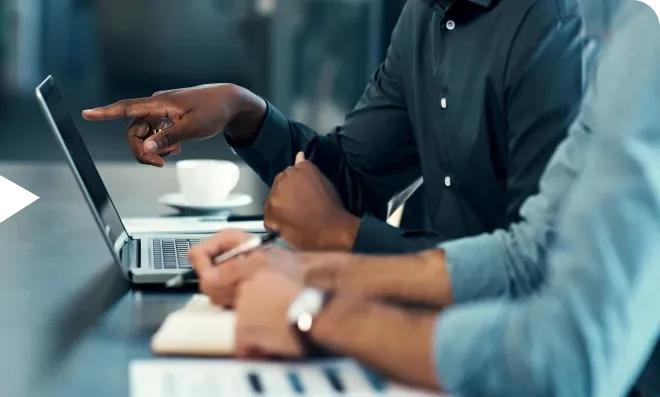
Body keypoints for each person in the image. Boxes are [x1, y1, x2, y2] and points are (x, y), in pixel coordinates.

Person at [187, 0, 660, 395]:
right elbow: (525, 256)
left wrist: (311, 312)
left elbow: (564, 356)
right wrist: (296, 269)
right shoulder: (616, 29)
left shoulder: (595, 33)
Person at [82, 0, 584, 253]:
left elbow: (537, 266)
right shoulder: (423, 18)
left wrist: (343, 236)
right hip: (435, 320)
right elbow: (348, 181)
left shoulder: (553, 28)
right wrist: (243, 111)